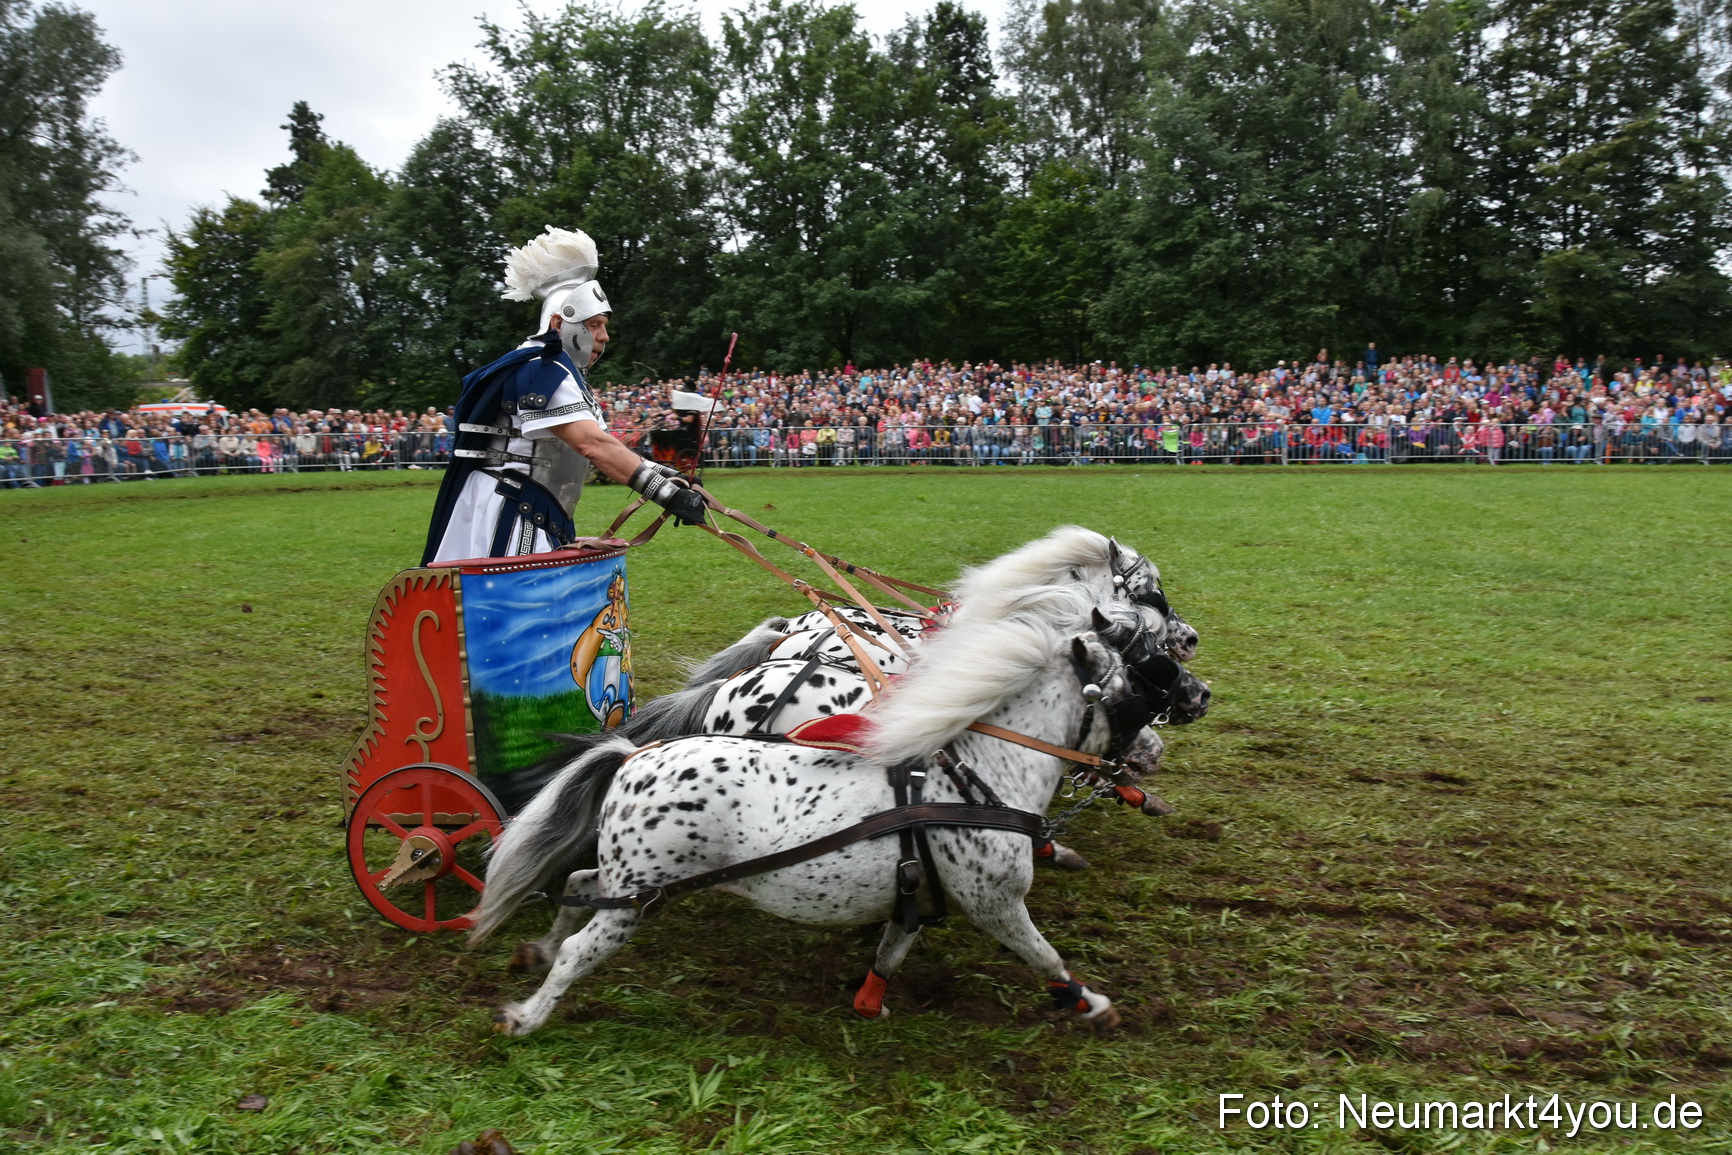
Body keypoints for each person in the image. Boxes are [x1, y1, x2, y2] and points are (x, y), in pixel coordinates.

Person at [423, 227, 706, 565]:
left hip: (533, 506)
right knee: (517, 611)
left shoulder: (554, 369)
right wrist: (665, 492)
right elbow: (592, 445)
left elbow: (601, 443)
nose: (605, 336)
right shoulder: (541, 368)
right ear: (560, 323)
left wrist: (666, 474)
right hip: (510, 510)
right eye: (596, 324)